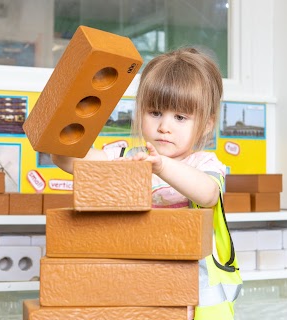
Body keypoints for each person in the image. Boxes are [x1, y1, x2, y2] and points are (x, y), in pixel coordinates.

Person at [52, 47, 240, 320]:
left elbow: (208, 193)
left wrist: (162, 166)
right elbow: (71, 160)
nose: (164, 126)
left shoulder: (203, 164)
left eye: (180, 117)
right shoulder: (125, 157)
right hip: (137, 284)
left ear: (207, 124)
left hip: (191, 293)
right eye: (154, 113)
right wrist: (62, 125)